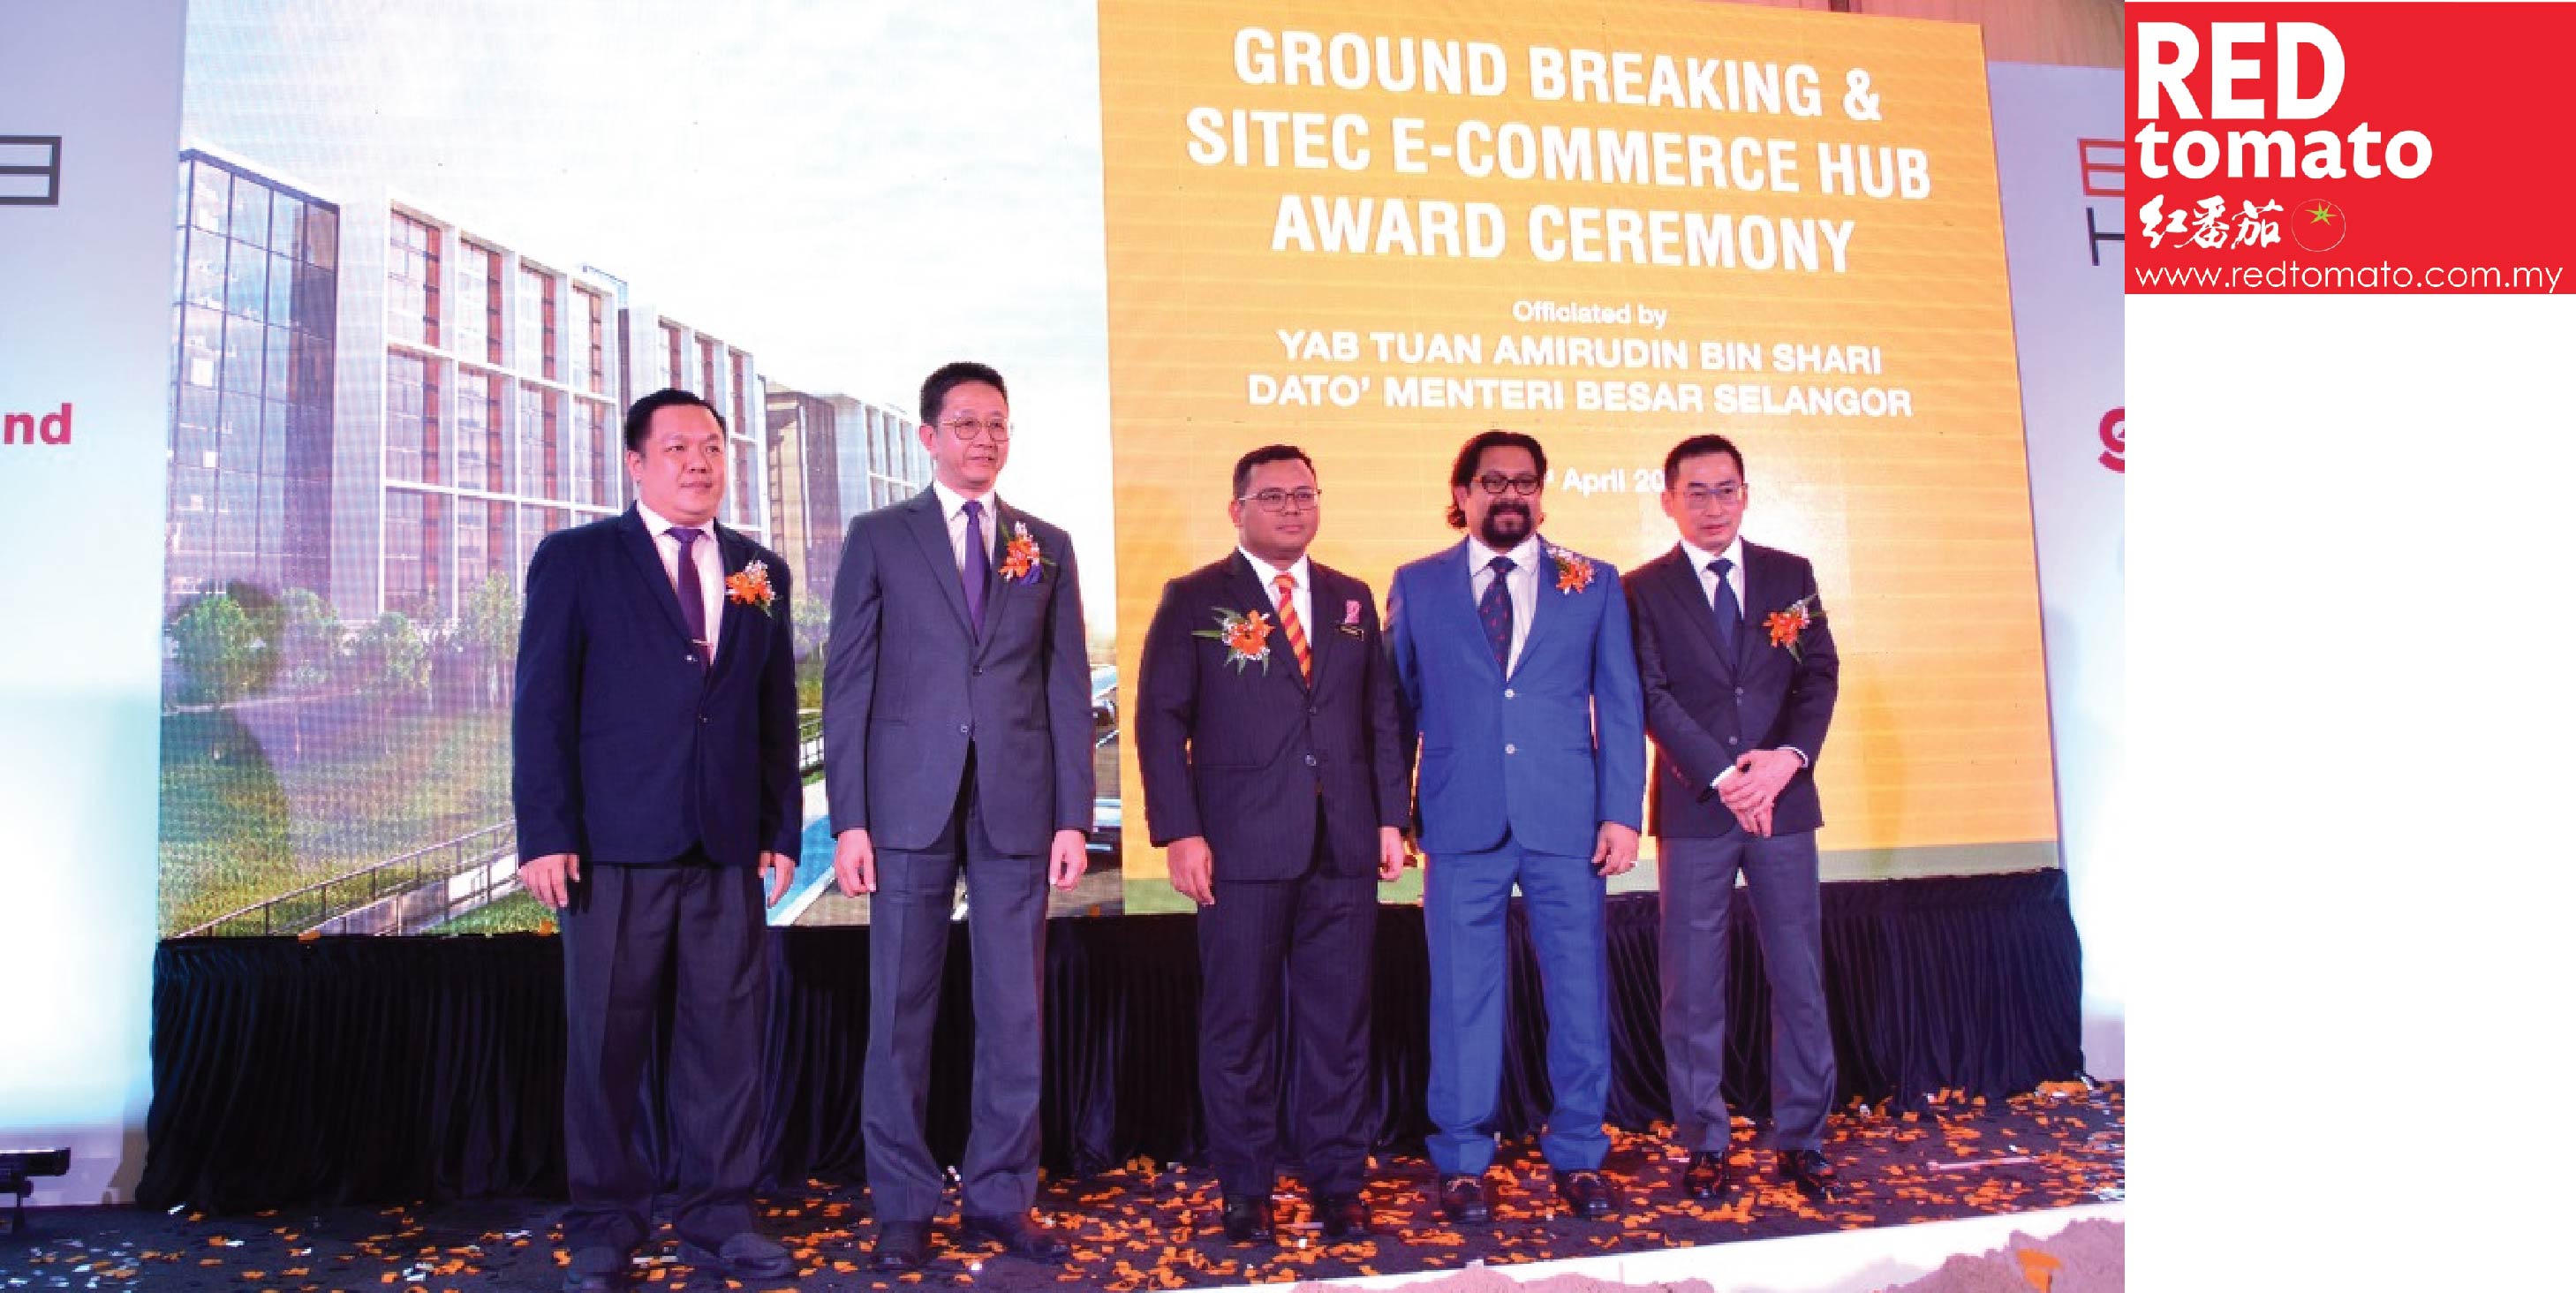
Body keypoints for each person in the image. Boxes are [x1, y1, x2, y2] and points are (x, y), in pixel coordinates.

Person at [511, 387, 803, 1291]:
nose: (698, 462)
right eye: (677, 447)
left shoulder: (759, 569)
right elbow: (541, 705)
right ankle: (607, 1222)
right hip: (610, 847)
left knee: (726, 1041)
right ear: (636, 463)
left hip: (724, 847)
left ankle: (720, 1212)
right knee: (607, 1044)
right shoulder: (576, 559)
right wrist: (545, 831)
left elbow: (772, 712)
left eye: (711, 445)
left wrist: (780, 828)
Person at [821, 361, 1092, 1271]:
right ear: (929, 436)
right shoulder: (879, 537)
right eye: (967, 423)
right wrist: (850, 820)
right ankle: (902, 1206)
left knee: (1015, 1011)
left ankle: (1001, 1197)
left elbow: (1064, 685)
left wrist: (1071, 815)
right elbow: (848, 683)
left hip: (1018, 805)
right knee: (900, 1009)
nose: (985, 438)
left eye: (998, 424)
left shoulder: (1046, 544)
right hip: (905, 804)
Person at [1134, 445, 1409, 1246]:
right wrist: (1181, 831)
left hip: (1343, 845)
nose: (1292, 509)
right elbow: (1159, 722)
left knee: (1339, 1026)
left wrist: (1389, 817)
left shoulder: (1351, 597)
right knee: (1239, 1027)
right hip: (1239, 847)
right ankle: (1245, 1190)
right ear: (1237, 510)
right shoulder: (1194, 597)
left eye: (1304, 495)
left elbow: (1378, 715)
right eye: (1274, 497)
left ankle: (1338, 1183)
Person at [1386, 429, 1645, 1224]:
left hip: (1567, 819)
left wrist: (1620, 813)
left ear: (1540, 492)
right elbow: (1394, 710)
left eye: (1524, 482)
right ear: (1461, 492)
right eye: (1493, 482)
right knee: (1460, 996)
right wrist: (1390, 816)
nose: (1510, 495)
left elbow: (1620, 703)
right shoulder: (1418, 583)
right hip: (1458, 819)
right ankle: (1462, 1159)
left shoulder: (1592, 580)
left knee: (1578, 992)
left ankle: (1579, 1151)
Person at [1623, 434, 1843, 1202]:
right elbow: (1649, 694)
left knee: (1799, 976)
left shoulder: (1790, 574)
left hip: (1784, 802)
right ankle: (1703, 1142)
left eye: (1725, 490)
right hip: (1696, 806)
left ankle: (1802, 1139)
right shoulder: (1640, 589)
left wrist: (1786, 759)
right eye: (1696, 492)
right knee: (1691, 984)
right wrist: (1723, 778)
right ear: (1668, 501)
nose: (1712, 506)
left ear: (1745, 494)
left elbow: (1818, 675)